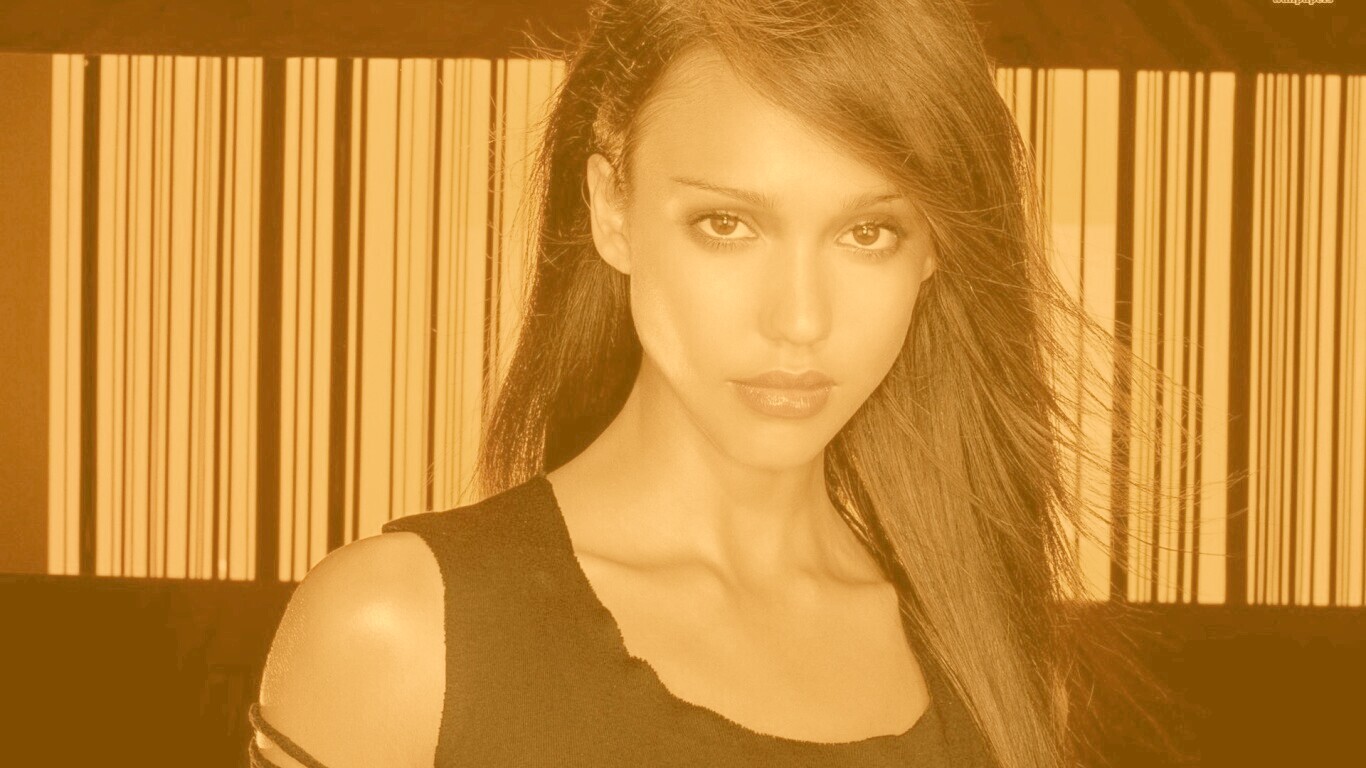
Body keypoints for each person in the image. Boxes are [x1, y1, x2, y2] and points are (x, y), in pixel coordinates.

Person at [250, 1, 1183, 766]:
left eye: (867, 233)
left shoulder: (995, 665)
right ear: (612, 208)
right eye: (727, 224)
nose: (799, 319)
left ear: (933, 246)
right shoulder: (401, 636)